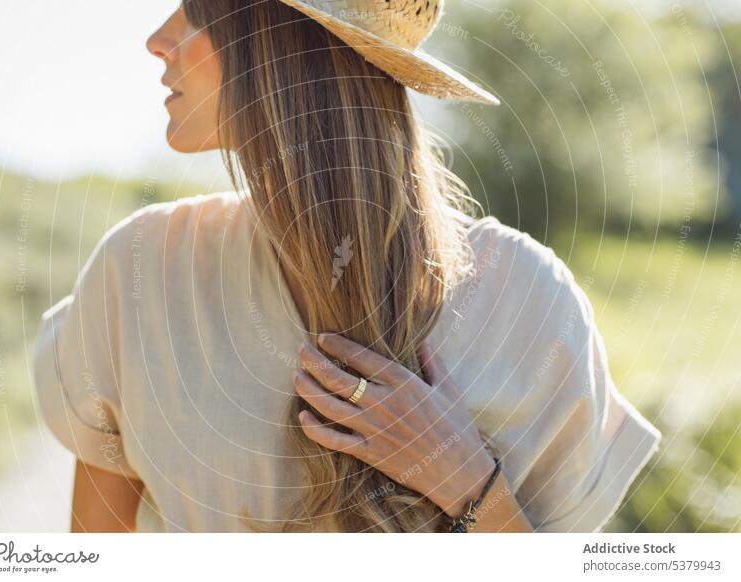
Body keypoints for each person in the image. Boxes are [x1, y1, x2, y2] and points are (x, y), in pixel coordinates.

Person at [32, 0, 661, 533]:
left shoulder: (530, 301)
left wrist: (472, 487)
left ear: (284, 45)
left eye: (198, 7)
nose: (157, 38)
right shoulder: (139, 271)